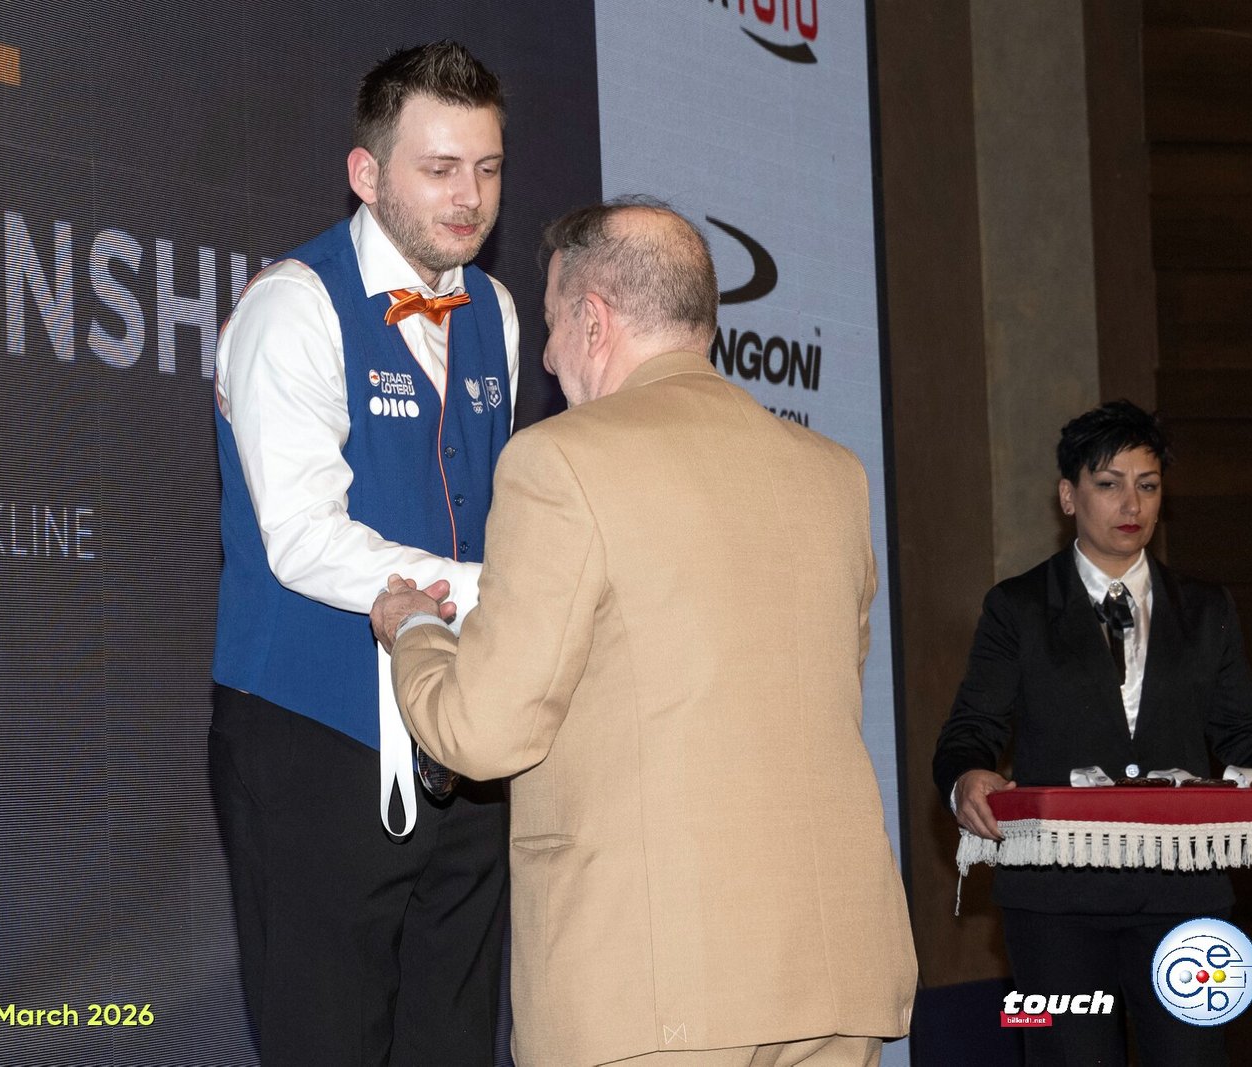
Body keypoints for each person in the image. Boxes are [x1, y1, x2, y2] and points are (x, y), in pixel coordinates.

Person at [370, 198, 917, 1066]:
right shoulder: (834, 475)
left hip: (657, 985)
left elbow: (484, 729)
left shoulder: (560, 458)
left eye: (553, 326)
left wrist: (414, 634)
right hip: (833, 971)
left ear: (593, 320)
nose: (546, 357)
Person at [207, 41, 516, 1066]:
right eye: (440, 168)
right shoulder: (293, 304)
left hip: (463, 736)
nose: (469, 197)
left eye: (488, 168)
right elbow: (301, 539)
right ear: (367, 173)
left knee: (456, 1042)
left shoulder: (497, 311)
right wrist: (504, 593)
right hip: (315, 735)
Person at [933, 399, 1252, 1065]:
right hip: (1054, 902)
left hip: (1184, 892)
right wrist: (967, 776)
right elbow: (971, 728)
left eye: (1148, 485)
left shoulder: (1205, 608)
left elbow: (1241, 728)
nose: (1132, 504)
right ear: (1068, 496)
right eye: (1109, 483)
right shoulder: (1018, 606)